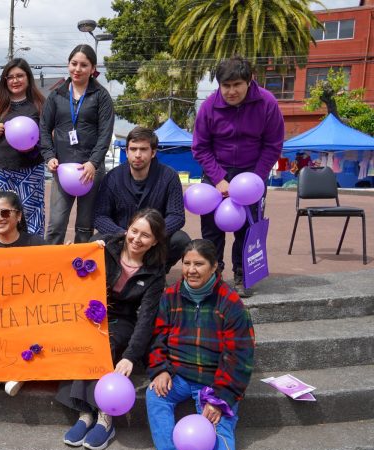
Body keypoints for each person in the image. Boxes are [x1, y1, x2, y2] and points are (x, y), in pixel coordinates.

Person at [140, 239, 255, 450]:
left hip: (215, 381)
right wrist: (160, 369)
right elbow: (157, 338)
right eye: (187, 263)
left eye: (199, 264)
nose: (191, 270)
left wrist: (220, 397)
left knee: (219, 420)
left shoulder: (230, 303)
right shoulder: (171, 295)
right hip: (179, 375)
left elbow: (240, 356)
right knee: (154, 396)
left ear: (214, 267)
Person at [56, 209, 167, 450]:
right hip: (90, 312)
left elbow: (146, 319)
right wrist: (69, 254)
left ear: (155, 241)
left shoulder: (156, 273)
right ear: (127, 229)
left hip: (122, 320)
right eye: (134, 231)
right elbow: (76, 272)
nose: (137, 239)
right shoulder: (105, 244)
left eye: (145, 236)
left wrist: (130, 356)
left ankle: (105, 418)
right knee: (79, 340)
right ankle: (85, 415)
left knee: (105, 343)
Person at [192, 56, 284, 297]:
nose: (231, 91)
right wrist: (218, 178)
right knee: (211, 231)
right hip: (216, 174)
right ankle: (214, 275)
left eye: (236, 85)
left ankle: (243, 275)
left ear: (249, 80)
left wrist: (255, 179)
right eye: (225, 86)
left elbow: (273, 145)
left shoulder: (267, 102)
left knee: (246, 230)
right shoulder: (209, 106)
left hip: (251, 175)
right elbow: (200, 147)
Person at [0, 191, 45, 396]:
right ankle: (15, 373)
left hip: (27, 314)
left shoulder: (38, 245)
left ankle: (16, 373)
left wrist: (73, 253)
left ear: (19, 216)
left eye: (5, 213)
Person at [40, 44, 114, 244]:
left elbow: (105, 133)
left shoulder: (101, 96)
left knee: (84, 226)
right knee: (56, 225)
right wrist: (49, 156)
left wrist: (93, 162)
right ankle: (52, 270)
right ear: (68, 64)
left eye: (84, 65)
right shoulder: (56, 95)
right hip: (62, 169)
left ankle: (81, 270)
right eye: (74, 64)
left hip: (90, 171)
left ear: (92, 68)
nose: (77, 69)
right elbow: (44, 128)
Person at [94, 127, 189, 272]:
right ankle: (116, 273)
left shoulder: (169, 176)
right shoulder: (112, 177)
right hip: (121, 238)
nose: (137, 154)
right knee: (94, 242)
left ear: (153, 152)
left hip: (155, 240)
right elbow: (100, 216)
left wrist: (152, 234)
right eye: (133, 149)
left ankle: (158, 273)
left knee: (181, 240)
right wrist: (123, 234)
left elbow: (177, 216)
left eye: (143, 149)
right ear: (126, 151)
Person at [0, 58, 46, 236]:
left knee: (32, 212)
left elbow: (50, 135)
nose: (15, 80)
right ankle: (3, 253)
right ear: (5, 80)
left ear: (28, 78)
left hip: (31, 169)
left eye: (20, 76)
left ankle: (33, 253)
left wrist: (34, 145)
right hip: (1, 169)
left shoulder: (39, 104)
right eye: (10, 77)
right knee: (2, 213)